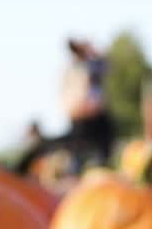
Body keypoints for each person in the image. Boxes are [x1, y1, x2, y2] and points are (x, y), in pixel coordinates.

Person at [15, 38, 116, 175]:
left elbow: (108, 66)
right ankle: (33, 156)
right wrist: (77, 107)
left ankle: (102, 173)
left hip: (98, 116)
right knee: (74, 149)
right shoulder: (71, 70)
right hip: (81, 116)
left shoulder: (92, 65)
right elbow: (68, 96)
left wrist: (93, 51)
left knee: (104, 149)